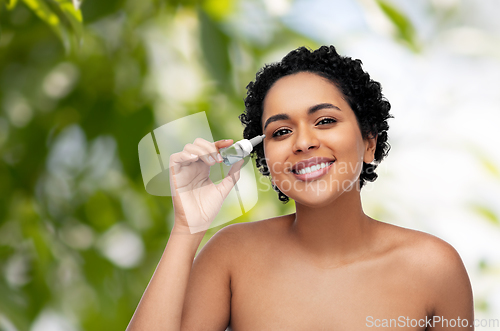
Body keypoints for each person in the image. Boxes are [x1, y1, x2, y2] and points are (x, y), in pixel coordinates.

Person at [127, 46, 474, 330]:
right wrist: (187, 229)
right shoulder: (232, 255)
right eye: (281, 131)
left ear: (369, 142)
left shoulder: (433, 268)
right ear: (265, 157)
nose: (304, 142)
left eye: (325, 121)